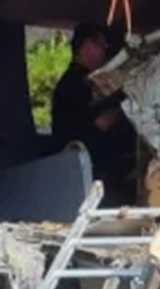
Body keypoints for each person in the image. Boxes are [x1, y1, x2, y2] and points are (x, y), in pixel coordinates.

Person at [51, 22, 135, 205]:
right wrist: (128, 105)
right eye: (102, 46)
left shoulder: (77, 81)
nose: (105, 53)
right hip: (85, 167)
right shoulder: (77, 84)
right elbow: (99, 122)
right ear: (87, 46)